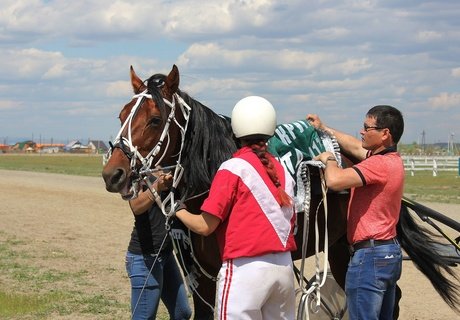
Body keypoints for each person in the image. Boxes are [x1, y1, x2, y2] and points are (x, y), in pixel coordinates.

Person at [175, 96, 297, 320]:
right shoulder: (282, 172)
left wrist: (177, 210)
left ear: (235, 131)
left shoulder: (232, 168)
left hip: (246, 271)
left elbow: (204, 226)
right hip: (284, 270)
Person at [306, 105, 404, 320]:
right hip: (387, 253)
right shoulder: (392, 160)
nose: (361, 132)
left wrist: (330, 159)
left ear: (384, 133)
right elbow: (354, 145)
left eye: (367, 128)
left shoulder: (378, 165)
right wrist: (324, 128)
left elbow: (335, 180)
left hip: (369, 258)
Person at [126, 172, 192, 320]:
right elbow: (136, 206)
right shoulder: (135, 172)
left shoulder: (173, 167)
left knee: (182, 313)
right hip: (144, 259)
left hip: (166, 255)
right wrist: (157, 186)